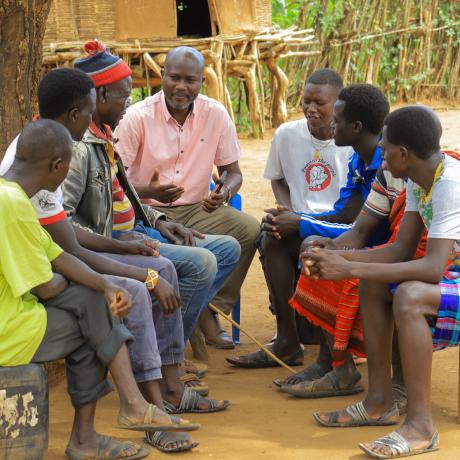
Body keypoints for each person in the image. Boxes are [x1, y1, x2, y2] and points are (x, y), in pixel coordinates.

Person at [0, 67, 227, 453]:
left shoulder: (22, 185)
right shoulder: (20, 197)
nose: (122, 106)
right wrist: (127, 280)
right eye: (108, 102)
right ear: (57, 166)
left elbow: (58, 252)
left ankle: (151, 397)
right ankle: (137, 408)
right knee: (109, 306)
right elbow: (55, 271)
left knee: (114, 294)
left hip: (42, 292)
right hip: (13, 325)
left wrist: (117, 275)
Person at [307, 106, 459, 458]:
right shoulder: (421, 180)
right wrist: (339, 258)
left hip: (448, 271)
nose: (383, 158)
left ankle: (421, 426)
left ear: (404, 154)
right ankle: (379, 402)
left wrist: (349, 269)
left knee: (410, 295)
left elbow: (433, 268)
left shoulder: (450, 182)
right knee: (376, 285)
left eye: (386, 149)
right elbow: (400, 250)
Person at [228, 83, 390, 368]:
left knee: (311, 245)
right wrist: (290, 221)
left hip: (382, 248)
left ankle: (335, 363)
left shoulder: (386, 167)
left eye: (336, 121)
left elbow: (365, 232)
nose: (331, 128)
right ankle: (288, 341)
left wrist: (302, 224)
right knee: (273, 237)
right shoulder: (359, 162)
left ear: (356, 127)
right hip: (359, 237)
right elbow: (343, 216)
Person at [115, 45, 261, 349]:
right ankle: (184, 325)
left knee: (249, 230)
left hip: (198, 209)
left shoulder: (215, 114)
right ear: (162, 76)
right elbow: (115, 184)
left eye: (190, 80)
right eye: (174, 77)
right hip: (148, 213)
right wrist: (148, 192)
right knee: (206, 258)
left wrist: (224, 192)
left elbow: (233, 172)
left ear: (201, 82)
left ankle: (209, 307)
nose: (181, 87)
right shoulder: (136, 118)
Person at [264, 69, 353, 214]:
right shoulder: (285, 134)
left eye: (320, 103)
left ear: (338, 104)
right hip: (297, 217)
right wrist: (290, 213)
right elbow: (277, 179)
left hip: (335, 221)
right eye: (306, 101)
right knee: (266, 232)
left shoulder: (351, 143)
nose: (310, 109)